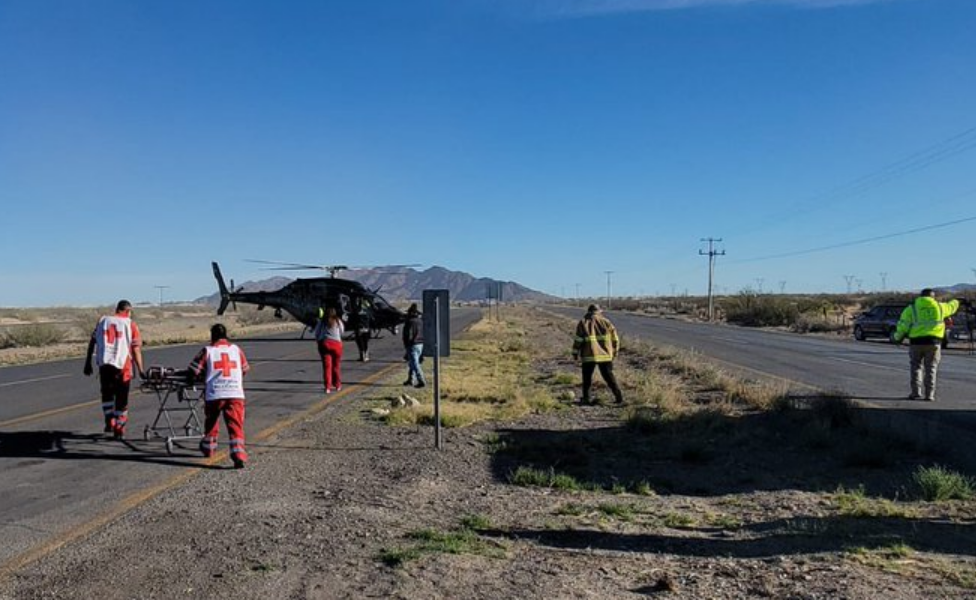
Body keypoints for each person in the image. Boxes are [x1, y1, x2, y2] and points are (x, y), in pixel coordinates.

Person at [188, 324, 250, 468]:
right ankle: (238, 454)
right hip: (235, 393)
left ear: (212, 335)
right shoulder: (236, 350)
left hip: (215, 393)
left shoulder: (207, 351)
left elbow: (193, 370)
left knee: (211, 422)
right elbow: (245, 369)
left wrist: (199, 377)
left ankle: (209, 448)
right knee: (236, 425)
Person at [83, 299, 145, 439]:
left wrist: (88, 362)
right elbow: (136, 349)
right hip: (123, 366)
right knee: (122, 398)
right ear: (128, 311)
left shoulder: (103, 321)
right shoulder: (130, 324)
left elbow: (93, 341)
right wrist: (141, 370)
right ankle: (119, 426)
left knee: (107, 393)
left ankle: (109, 419)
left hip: (105, 365)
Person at [893, 288, 960, 402]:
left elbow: (903, 325)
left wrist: (897, 338)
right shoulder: (940, 307)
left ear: (920, 296)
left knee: (916, 367)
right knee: (931, 368)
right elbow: (952, 307)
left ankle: (915, 393)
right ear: (932, 297)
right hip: (934, 343)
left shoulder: (911, 309)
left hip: (916, 343)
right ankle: (929, 395)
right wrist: (957, 301)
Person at [572, 304, 624, 404]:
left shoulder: (583, 322)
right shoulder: (606, 322)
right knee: (609, 377)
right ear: (599, 311)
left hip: (589, 355)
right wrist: (615, 352)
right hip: (605, 356)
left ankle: (586, 398)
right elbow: (615, 339)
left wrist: (575, 352)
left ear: (588, 311)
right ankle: (619, 397)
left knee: (587, 379)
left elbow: (578, 339)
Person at [314, 306, 345, 393]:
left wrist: (318, 340)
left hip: (325, 344)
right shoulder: (338, 321)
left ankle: (328, 387)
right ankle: (338, 385)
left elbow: (316, 333)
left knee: (327, 367)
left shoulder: (322, 321)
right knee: (336, 366)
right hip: (337, 345)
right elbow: (342, 331)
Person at [402, 303, 426, 388]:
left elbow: (408, 335)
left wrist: (407, 344)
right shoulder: (420, 321)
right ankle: (410, 379)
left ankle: (421, 380)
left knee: (415, 363)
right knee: (412, 362)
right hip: (420, 344)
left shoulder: (409, 322)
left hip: (412, 344)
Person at [354, 298, 372, 362]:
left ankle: (363, 356)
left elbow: (354, 319)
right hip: (367, 328)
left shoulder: (356, 310)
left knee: (360, 342)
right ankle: (366, 356)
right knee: (365, 342)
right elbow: (370, 317)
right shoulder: (367, 310)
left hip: (360, 329)